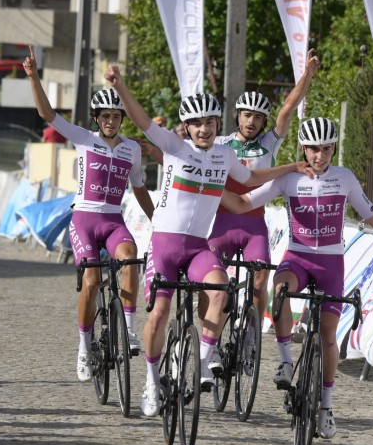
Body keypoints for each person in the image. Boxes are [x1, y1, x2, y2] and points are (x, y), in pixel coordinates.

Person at [104, 65, 312, 418]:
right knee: (160, 313)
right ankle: (152, 382)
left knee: (222, 291)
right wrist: (121, 85)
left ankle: (202, 360)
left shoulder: (225, 155)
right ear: (187, 127)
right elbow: (141, 121)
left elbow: (249, 184)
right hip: (166, 246)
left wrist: (290, 166)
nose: (204, 129)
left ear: (218, 125)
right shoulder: (174, 145)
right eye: (197, 124)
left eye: (210, 123)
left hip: (199, 247)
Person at [221, 117, 373, 439]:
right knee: (279, 291)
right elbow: (241, 203)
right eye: (313, 149)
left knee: (327, 335)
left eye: (326, 149)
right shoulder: (289, 179)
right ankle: (284, 360)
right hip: (297, 257)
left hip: (331, 264)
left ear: (333, 149)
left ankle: (325, 406)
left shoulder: (345, 178)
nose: (319, 156)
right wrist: (204, 187)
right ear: (303, 149)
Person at [22, 47, 156, 381]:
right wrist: (34, 78)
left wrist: (159, 221)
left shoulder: (132, 149)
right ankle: (84, 347)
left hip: (113, 220)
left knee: (130, 257)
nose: (111, 121)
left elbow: (139, 188)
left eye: (116, 116)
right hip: (84, 220)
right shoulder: (83, 138)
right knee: (93, 281)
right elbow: (48, 115)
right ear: (96, 119)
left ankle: (128, 331)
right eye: (105, 116)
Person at [206, 49, 319, 319]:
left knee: (259, 281)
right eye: (247, 115)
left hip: (254, 223)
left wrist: (307, 75)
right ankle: (213, 344)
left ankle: (249, 335)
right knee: (209, 285)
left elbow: (288, 108)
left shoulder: (269, 144)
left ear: (263, 122)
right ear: (238, 116)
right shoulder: (220, 144)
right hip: (220, 222)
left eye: (257, 117)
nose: (251, 121)